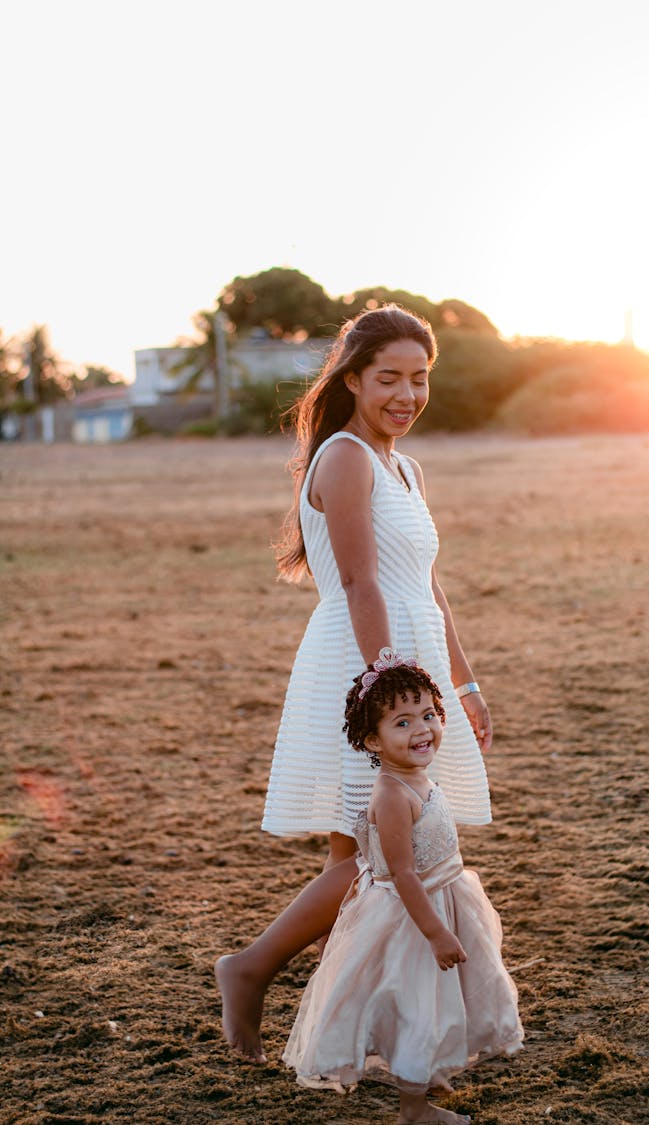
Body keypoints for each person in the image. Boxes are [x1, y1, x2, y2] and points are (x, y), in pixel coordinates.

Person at [216, 304, 494, 1061]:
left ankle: (345, 1014)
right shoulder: (343, 456)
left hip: (411, 664)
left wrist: (463, 689)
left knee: (364, 855)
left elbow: (428, 592)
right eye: (389, 378)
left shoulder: (406, 465)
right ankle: (251, 967)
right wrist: (388, 691)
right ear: (353, 379)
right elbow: (363, 581)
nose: (407, 393)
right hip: (365, 665)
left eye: (420, 377)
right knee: (374, 857)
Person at [283, 654, 523, 1124]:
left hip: (444, 897)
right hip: (412, 917)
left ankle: (429, 1068)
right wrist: (435, 932)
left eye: (430, 715)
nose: (422, 730)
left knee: (442, 998)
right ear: (373, 739)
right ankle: (414, 1109)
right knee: (418, 1006)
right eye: (403, 722)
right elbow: (404, 875)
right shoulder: (392, 795)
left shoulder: (416, 775)